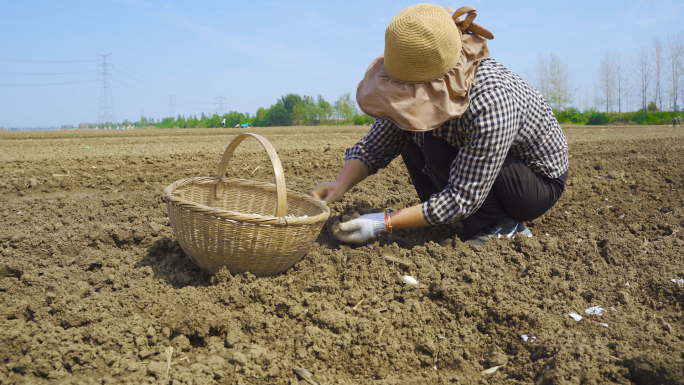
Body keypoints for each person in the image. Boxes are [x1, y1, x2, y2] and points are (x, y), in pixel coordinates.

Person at [312, 4, 568, 246]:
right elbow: (378, 143)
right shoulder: (418, 72)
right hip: (482, 168)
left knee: (433, 142)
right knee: (410, 128)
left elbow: (463, 196)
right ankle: (450, 218)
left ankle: (500, 226)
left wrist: (382, 222)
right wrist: (340, 184)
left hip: (533, 183)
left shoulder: (491, 99)